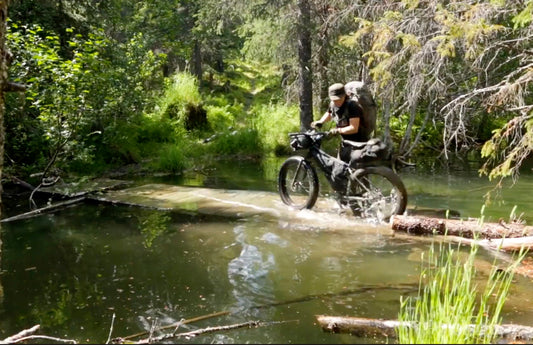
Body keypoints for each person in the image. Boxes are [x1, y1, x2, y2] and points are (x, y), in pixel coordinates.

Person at [311, 83, 368, 162]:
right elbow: (330, 113)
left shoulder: (352, 106)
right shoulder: (333, 104)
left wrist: (338, 130)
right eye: (334, 99)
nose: (337, 101)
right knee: (339, 169)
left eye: (339, 99)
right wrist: (321, 121)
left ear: (344, 95)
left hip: (358, 144)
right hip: (345, 142)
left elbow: (354, 128)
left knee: (354, 170)